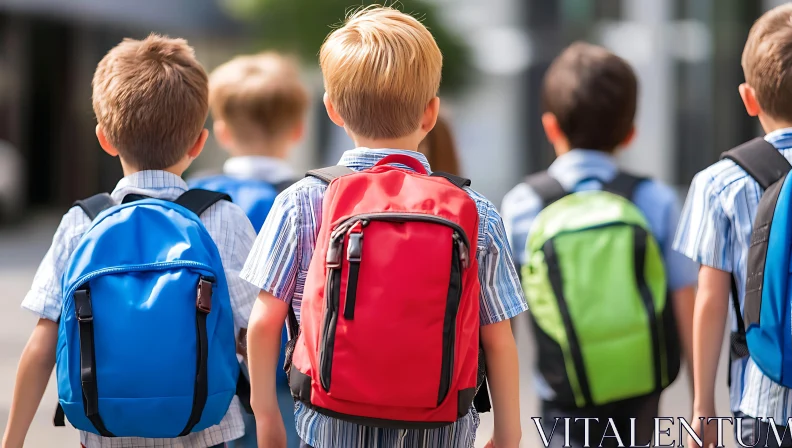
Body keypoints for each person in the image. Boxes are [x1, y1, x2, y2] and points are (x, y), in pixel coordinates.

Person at [241, 6, 527, 448]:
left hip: (330, 424)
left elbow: (263, 324)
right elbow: (499, 337)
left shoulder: (302, 201)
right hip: (440, 429)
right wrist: (509, 433)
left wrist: (267, 419)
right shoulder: (475, 211)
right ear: (431, 114)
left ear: (332, 109)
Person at [1, 34, 258, 448]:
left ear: (104, 138)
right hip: (203, 428)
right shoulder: (222, 218)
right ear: (198, 142)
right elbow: (257, 331)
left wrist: (12, 439)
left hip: (104, 429)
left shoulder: (83, 221)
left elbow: (43, 339)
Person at [501, 42, 697, 447]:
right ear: (630, 134)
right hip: (641, 387)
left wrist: (504, 414)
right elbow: (685, 299)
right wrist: (701, 401)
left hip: (563, 391)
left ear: (550, 126)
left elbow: (505, 314)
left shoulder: (524, 204)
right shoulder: (653, 199)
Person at [674, 3, 792, 446]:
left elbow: (709, 300)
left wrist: (703, 407)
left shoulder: (719, 183)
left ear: (749, 99)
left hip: (764, 400)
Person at [188, 51, 309, 448]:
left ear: (221, 131)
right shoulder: (310, 197)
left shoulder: (195, 196)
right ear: (297, 130)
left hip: (211, 379)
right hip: (290, 379)